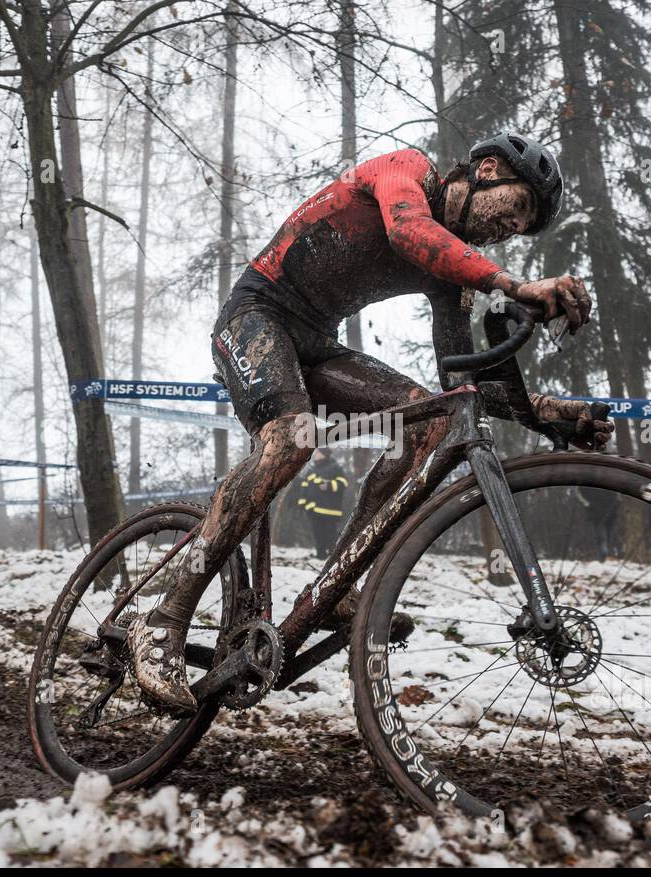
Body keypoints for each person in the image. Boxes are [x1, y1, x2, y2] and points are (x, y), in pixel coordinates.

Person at [126, 131, 615, 713]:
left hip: (314, 341)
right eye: (518, 207)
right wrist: (510, 284)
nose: (513, 227)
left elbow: (465, 388)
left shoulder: (450, 271)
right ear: (486, 170)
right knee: (291, 440)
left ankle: (336, 585)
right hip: (256, 316)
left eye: (524, 225)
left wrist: (555, 416)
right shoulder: (406, 170)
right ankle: (162, 619)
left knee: (429, 424)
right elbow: (410, 231)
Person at [297, 448, 349, 559]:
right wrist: (303, 503)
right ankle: (320, 555)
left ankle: (333, 556)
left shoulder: (335, 468)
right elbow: (304, 487)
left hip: (330, 510)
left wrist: (329, 485)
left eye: (318, 453)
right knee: (318, 534)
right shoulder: (312, 469)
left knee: (330, 534)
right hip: (314, 510)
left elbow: (343, 483)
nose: (315, 454)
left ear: (324, 455)